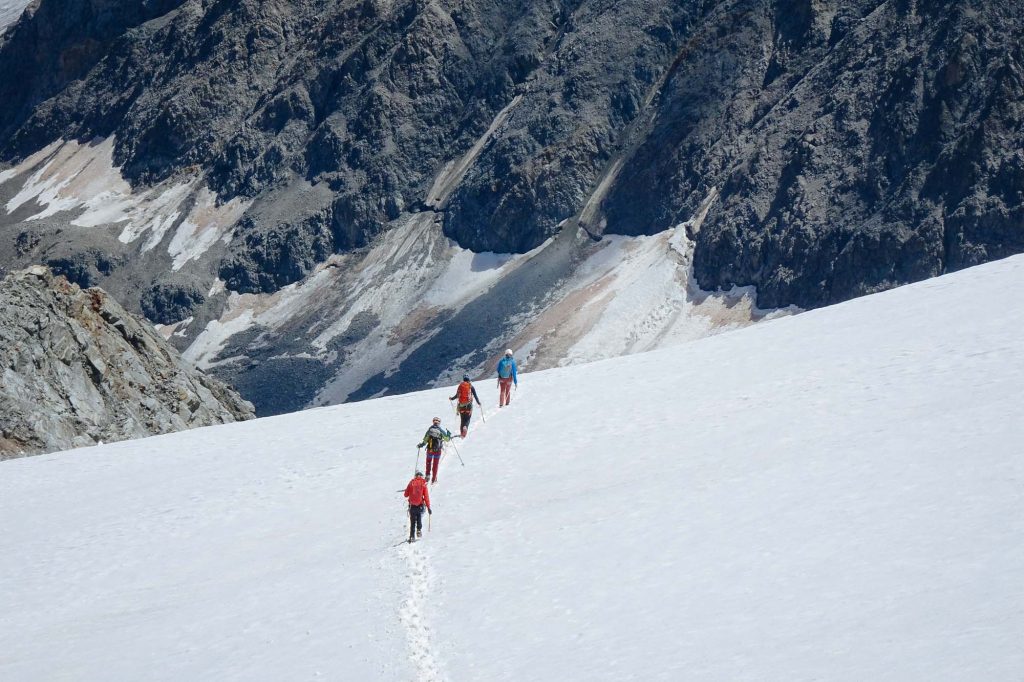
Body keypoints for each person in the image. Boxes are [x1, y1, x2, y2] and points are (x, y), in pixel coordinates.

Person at [417, 417, 451, 483]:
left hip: (430, 450)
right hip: (437, 451)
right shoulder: (440, 430)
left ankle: (427, 475)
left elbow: (425, 440)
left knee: (428, 462)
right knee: (435, 464)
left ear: (433, 422)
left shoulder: (430, 429)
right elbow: (447, 439)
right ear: (439, 423)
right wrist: (448, 434)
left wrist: (421, 445)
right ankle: (434, 478)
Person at [403, 471, 431, 542]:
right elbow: (426, 497)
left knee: (412, 521)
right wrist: (428, 507)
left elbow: (405, 495)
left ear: (415, 476)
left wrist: (409, 490)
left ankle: (412, 536)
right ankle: (419, 529)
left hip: (412, 506)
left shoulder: (411, 483)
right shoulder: (423, 484)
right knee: (419, 516)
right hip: (420, 505)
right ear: (421, 476)